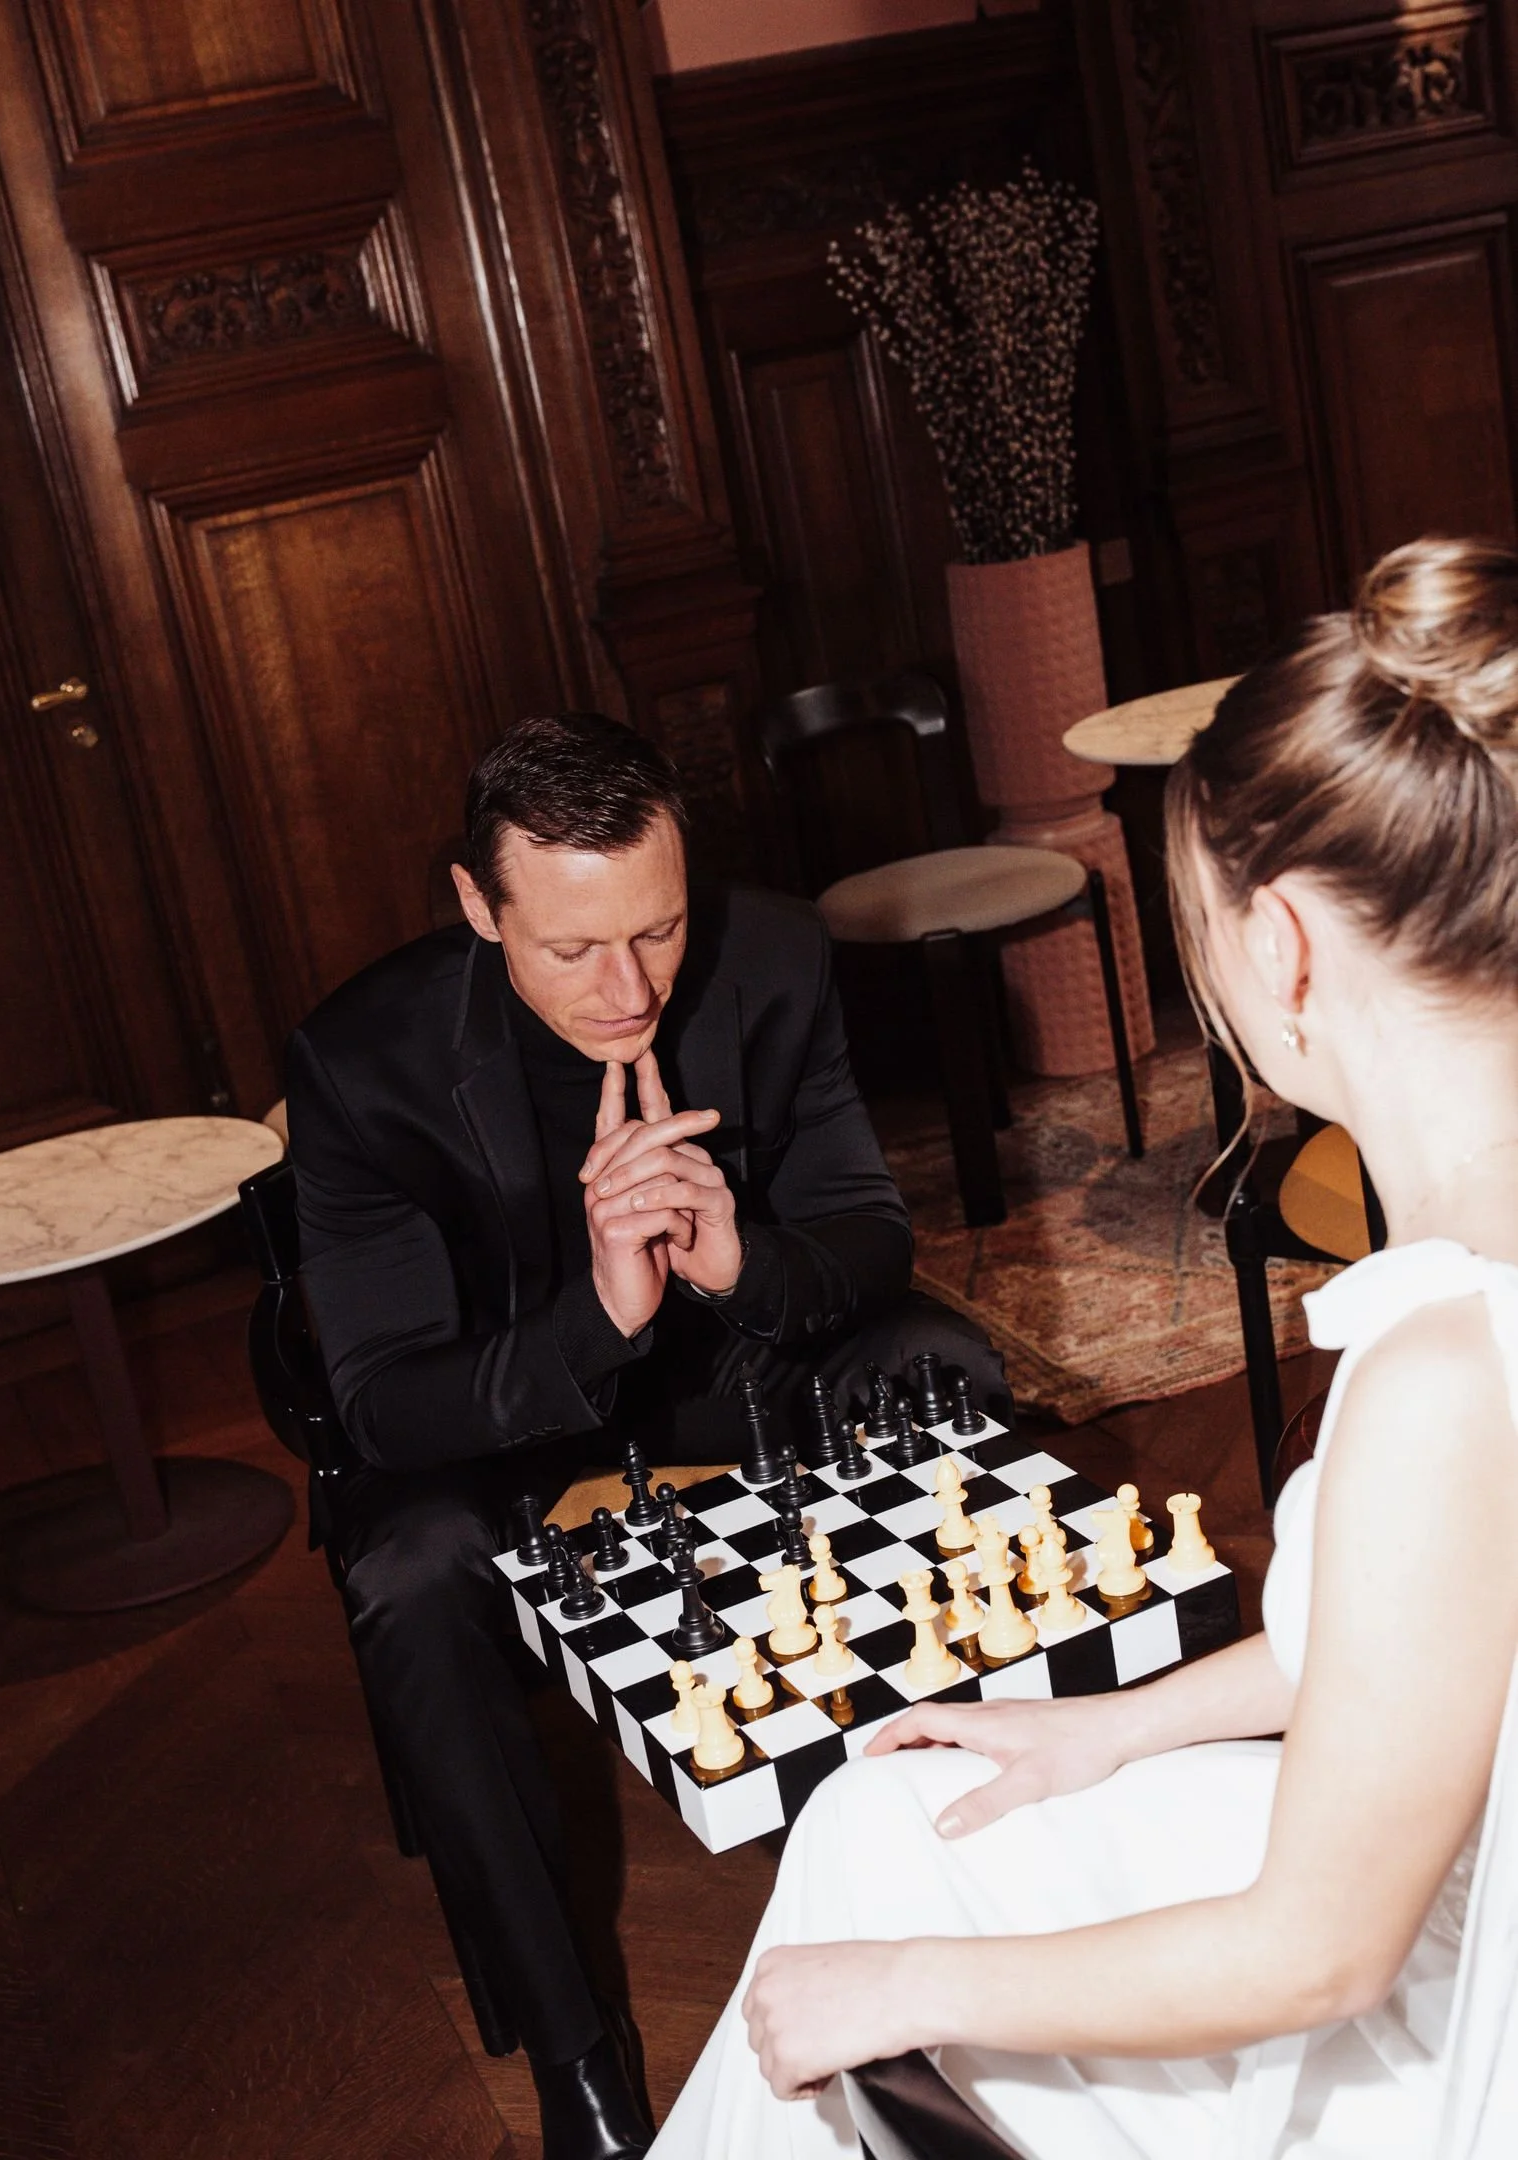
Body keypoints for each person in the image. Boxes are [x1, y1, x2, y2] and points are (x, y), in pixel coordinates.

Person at [655, 535, 1518, 2160]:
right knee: (885, 1811)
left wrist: (898, 1990)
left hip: (1440, 2033)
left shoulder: (1441, 1372)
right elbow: (1440, 1643)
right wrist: (1102, 1726)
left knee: (859, 1936)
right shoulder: (1471, 1294)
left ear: (1283, 949)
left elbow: (1322, 1949)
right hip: (1434, 1870)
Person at [286, 711, 1009, 2160]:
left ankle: (969, 1911)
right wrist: (594, 1321)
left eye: (660, 932)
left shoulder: (779, 954)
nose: (630, 990)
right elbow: (380, 1399)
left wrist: (740, 1263)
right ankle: (583, 2062)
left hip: (737, 1380)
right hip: (507, 1434)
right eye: (572, 950)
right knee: (407, 1579)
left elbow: (866, 1236)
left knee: (942, 1369)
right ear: (479, 907)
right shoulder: (364, 1060)